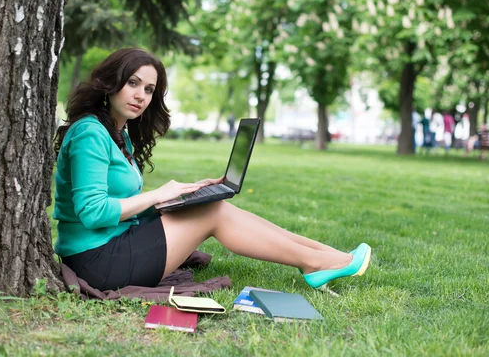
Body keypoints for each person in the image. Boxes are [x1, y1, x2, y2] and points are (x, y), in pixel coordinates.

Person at [52, 48, 371, 293]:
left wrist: (185, 194)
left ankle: (324, 255)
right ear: (110, 83)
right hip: (96, 261)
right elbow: (92, 212)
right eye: (132, 83)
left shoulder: (117, 134)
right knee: (213, 212)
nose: (140, 95)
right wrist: (160, 194)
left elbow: (119, 204)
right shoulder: (89, 133)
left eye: (149, 89)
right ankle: (315, 263)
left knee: (210, 203)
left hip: (113, 245)